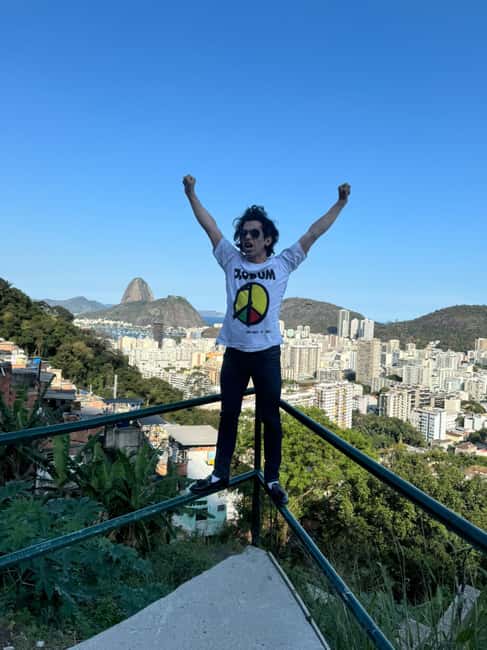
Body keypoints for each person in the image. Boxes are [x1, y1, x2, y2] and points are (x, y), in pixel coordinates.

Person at [183, 175, 350, 505]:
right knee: (228, 415)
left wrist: (340, 203)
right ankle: (220, 474)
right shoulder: (230, 260)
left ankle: (272, 478)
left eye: (254, 234)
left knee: (270, 418)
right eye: (243, 234)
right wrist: (191, 194)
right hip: (235, 353)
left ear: (267, 239)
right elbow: (209, 226)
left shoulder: (282, 263)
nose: (247, 238)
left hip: (266, 354)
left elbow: (313, 233)